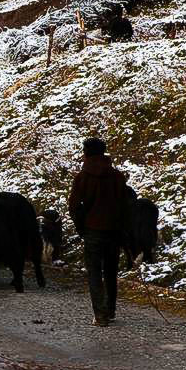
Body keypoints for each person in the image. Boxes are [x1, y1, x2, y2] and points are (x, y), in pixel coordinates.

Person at [67, 137, 127, 326]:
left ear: (86, 153)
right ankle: (110, 310)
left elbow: (74, 206)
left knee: (94, 272)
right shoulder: (117, 176)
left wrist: (81, 227)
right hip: (114, 230)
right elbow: (125, 204)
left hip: (92, 230)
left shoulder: (82, 177)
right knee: (111, 271)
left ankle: (100, 315)